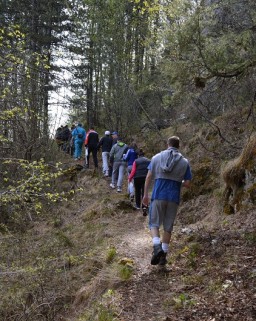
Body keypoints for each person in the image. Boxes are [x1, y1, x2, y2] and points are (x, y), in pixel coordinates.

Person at [142, 136, 192, 266]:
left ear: (167, 144)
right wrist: (177, 181)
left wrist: (145, 195)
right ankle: (163, 256)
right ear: (178, 146)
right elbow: (187, 183)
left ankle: (157, 246)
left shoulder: (156, 158)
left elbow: (148, 177)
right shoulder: (184, 162)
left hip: (158, 195)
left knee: (154, 224)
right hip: (173, 197)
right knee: (168, 227)